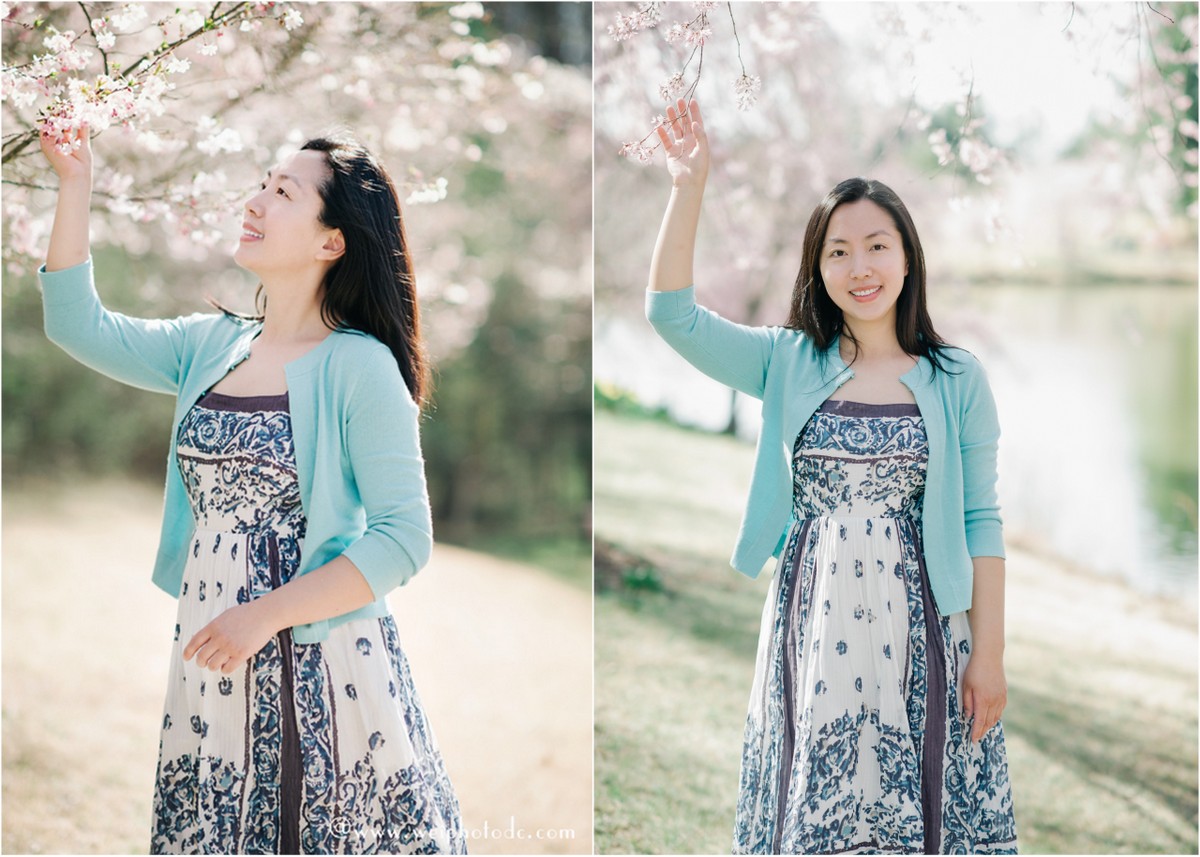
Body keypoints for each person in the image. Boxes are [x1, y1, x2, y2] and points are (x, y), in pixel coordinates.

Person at [38, 123, 467, 854]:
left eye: (283, 192)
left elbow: (403, 536)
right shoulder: (210, 344)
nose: (256, 201)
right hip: (211, 655)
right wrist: (73, 183)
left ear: (332, 241)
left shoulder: (359, 368)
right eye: (263, 184)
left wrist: (261, 616)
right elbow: (76, 324)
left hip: (319, 663)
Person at [645, 98, 1017, 854]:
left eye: (876, 246)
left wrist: (991, 653)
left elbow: (982, 520)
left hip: (924, 628)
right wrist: (689, 187)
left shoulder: (957, 378)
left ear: (907, 256)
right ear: (817, 266)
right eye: (838, 252)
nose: (860, 268)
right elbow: (670, 315)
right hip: (812, 621)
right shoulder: (788, 360)